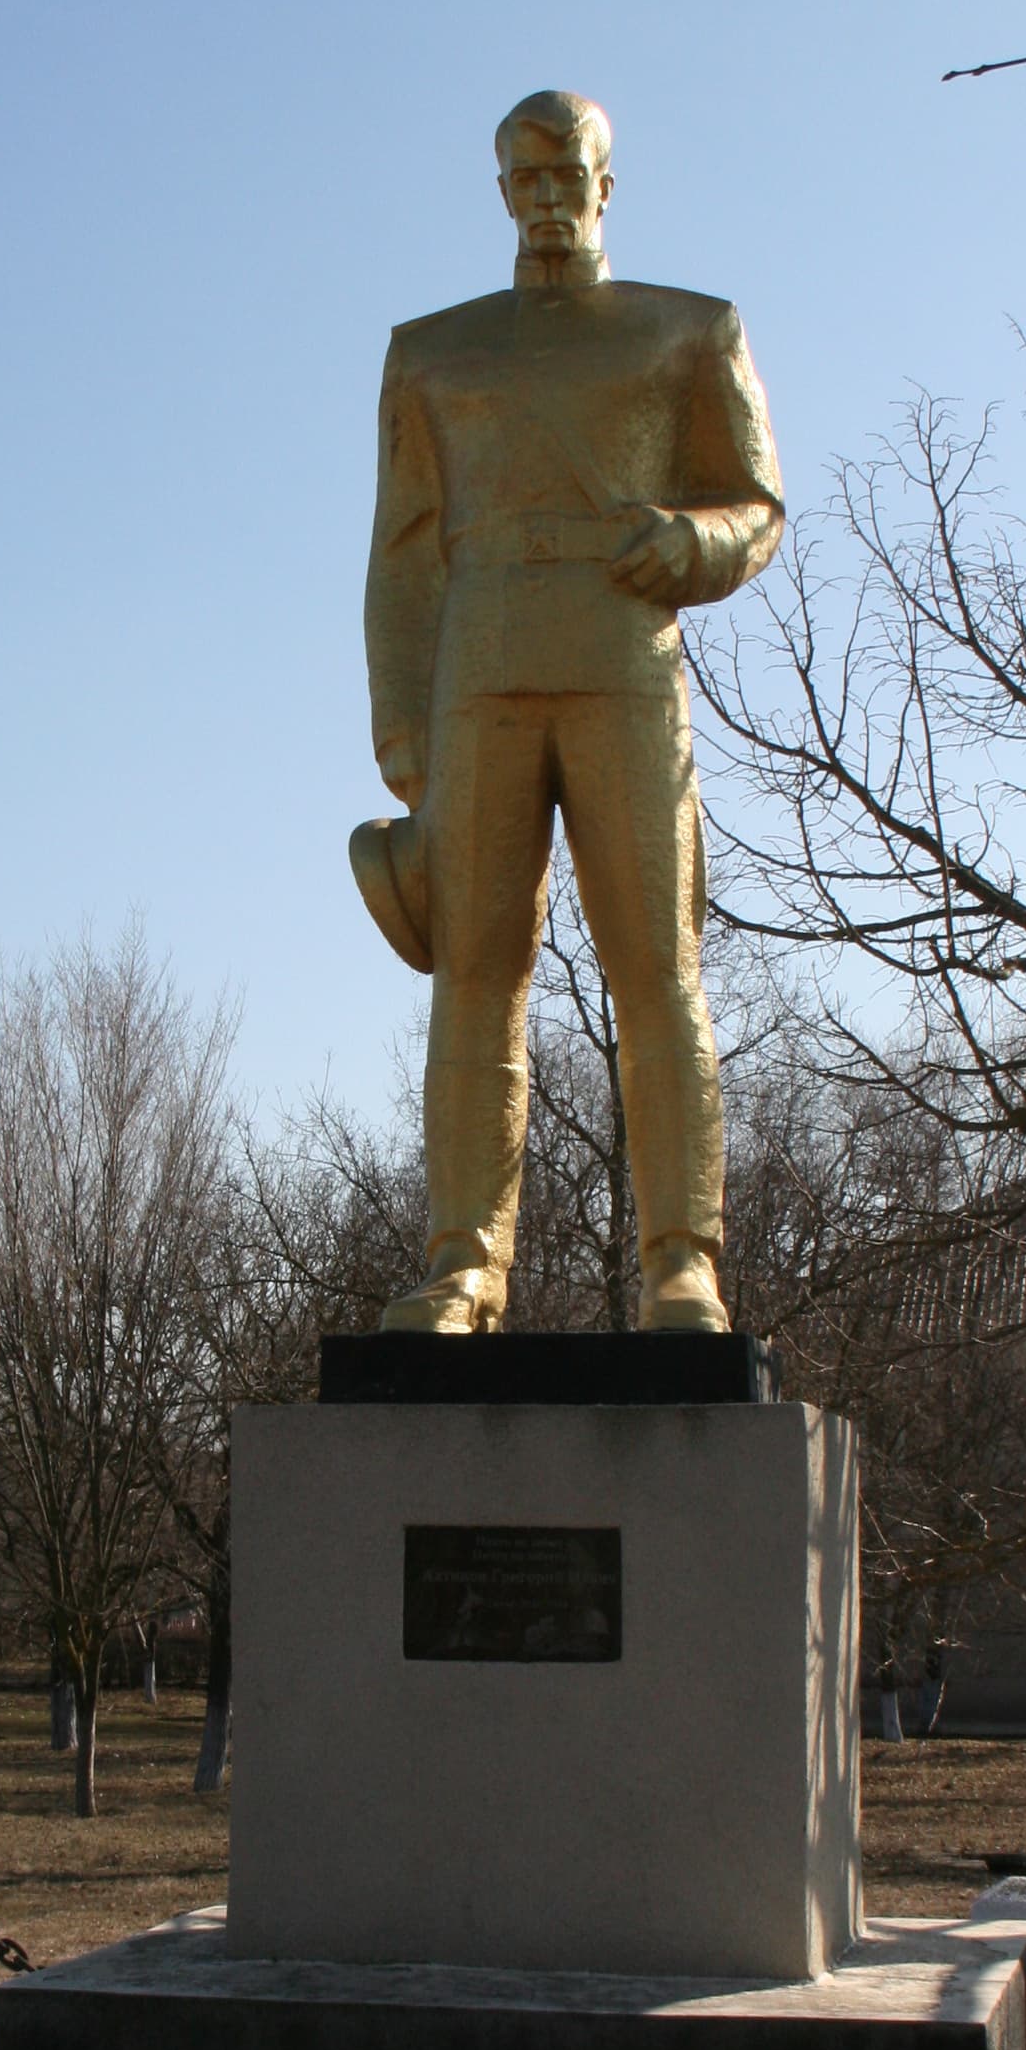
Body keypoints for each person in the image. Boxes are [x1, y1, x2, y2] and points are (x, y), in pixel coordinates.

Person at [351, 90, 783, 1333]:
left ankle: (681, 1261)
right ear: (502, 193)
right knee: (477, 974)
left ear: (606, 187)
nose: (547, 200)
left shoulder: (687, 330)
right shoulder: (432, 352)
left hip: (624, 665)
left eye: (568, 177)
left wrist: (691, 543)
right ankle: (463, 1263)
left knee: (659, 966)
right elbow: (404, 548)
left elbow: (755, 504)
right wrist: (402, 725)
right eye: (524, 181)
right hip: (478, 670)